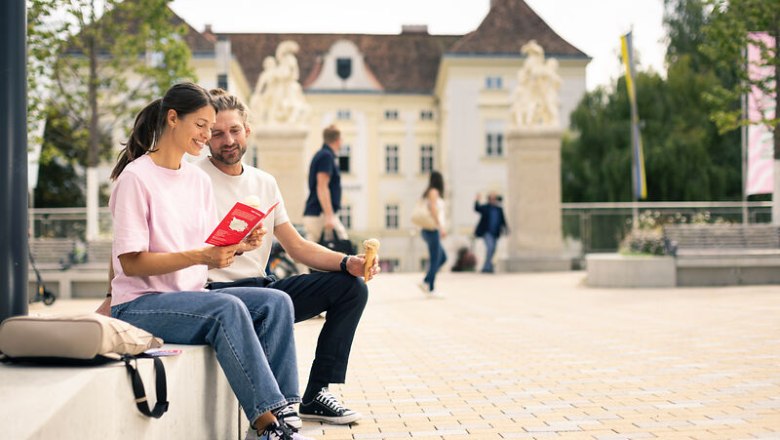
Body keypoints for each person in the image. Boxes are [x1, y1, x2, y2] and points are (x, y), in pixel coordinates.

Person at [106, 82, 311, 440]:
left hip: (189, 296)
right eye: (201, 125)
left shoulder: (196, 181)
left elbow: (201, 255)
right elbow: (132, 263)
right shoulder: (135, 178)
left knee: (276, 301)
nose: (207, 135)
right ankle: (267, 427)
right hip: (140, 305)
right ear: (173, 118)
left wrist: (237, 247)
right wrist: (203, 254)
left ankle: (285, 413)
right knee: (226, 309)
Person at [195, 89, 378, 427]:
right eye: (217, 133)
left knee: (352, 288)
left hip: (265, 288)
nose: (227, 140)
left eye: (234, 130)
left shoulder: (264, 183)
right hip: (215, 292)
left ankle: (315, 395)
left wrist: (346, 262)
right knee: (273, 298)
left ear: (247, 130)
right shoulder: (194, 179)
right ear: (206, 137)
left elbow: (297, 246)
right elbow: (184, 252)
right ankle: (281, 408)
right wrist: (233, 246)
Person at [302, 125, 347, 243]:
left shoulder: (323, 155)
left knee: (312, 254)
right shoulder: (326, 156)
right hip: (320, 214)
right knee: (342, 245)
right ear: (338, 140)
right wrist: (329, 216)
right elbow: (322, 186)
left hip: (318, 213)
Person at [418, 171, 447, 297]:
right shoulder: (434, 192)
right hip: (432, 229)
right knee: (436, 258)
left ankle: (427, 281)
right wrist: (440, 227)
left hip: (428, 230)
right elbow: (433, 209)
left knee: (442, 257)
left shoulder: (429, 191)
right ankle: (430, 288)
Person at [474, 192, 508, 273]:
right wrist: (477, 200)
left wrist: (506, 229)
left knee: (493, 250)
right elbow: (477, 208)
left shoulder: (499, 209)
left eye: (494, 199)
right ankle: (487, 267)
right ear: (489, 199)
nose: (493, 200)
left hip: (495, 233)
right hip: (487, 233)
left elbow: (503, 220)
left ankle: (489, 266)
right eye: (491, 198)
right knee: (490, 248)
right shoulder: (486, 208)